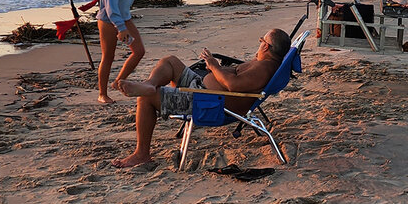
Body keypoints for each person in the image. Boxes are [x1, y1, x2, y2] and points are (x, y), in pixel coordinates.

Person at [111, 28, 291, 168]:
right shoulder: (263, 64)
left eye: (261, 41)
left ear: (266, 46)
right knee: (170, 61)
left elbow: (233, 85)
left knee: (145, 99)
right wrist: (214, 67)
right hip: (203, 90)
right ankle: (150, 83)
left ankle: (142, 154)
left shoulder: (264, 69)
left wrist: (213, 66)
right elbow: (234, 78)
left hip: (208, 103)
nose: (259, 43)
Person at [96, 0, 147, 104]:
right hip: (108, 21)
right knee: (108, 57)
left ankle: (118, 82)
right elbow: (111, 7)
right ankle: (102, 94)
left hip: (125, 18)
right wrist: (121, 28)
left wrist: (124, 23)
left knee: (139, 51)